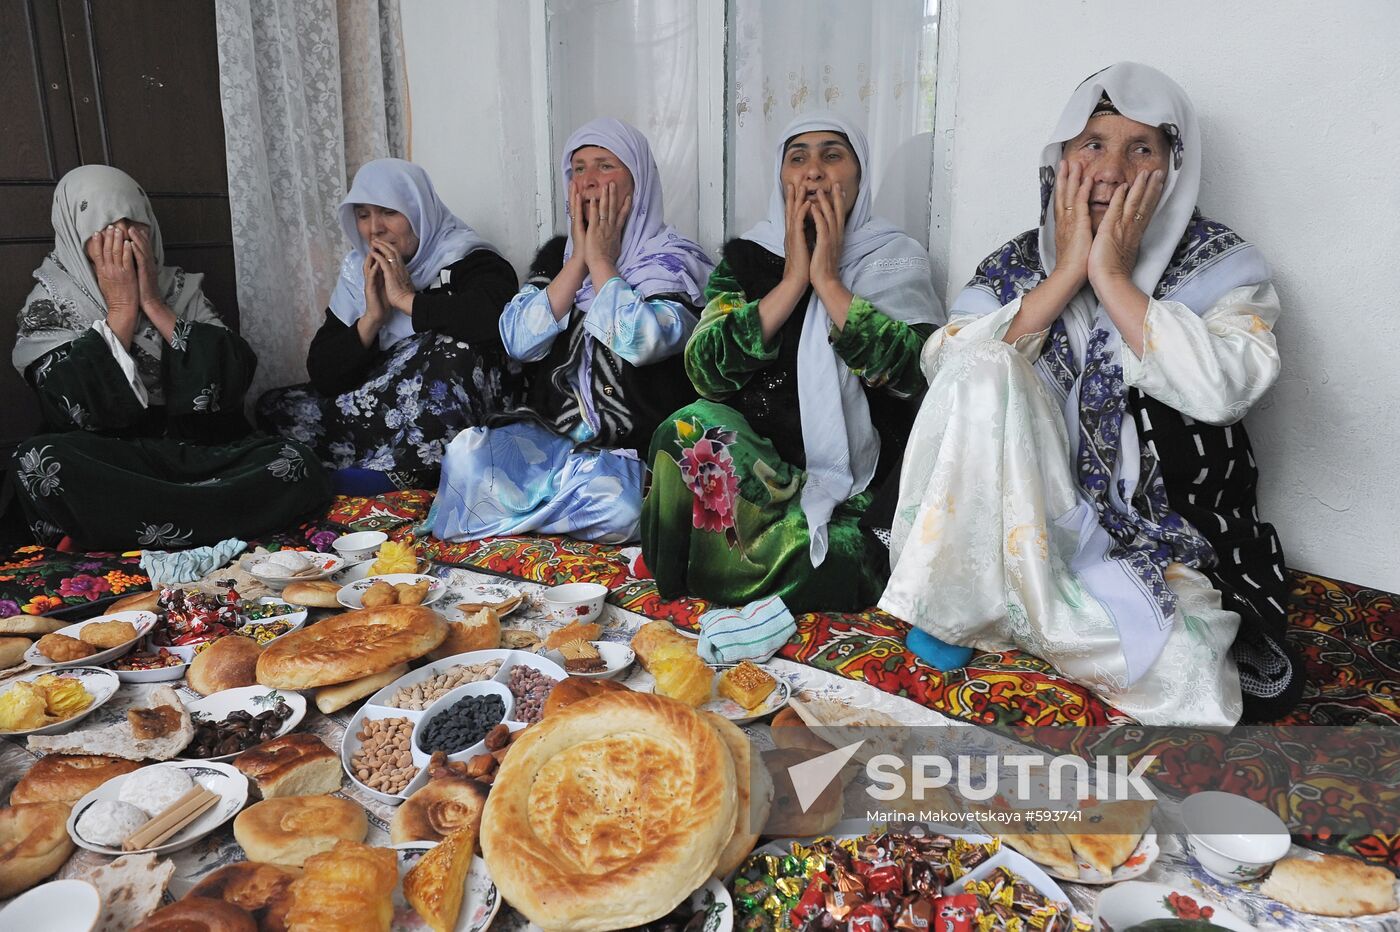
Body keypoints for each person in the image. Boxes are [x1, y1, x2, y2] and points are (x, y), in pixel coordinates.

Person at [881, 62, 1301, 725]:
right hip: (1024, 527)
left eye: (1142, 149)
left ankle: (1015, 616)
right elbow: (947, 370)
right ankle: (968, 600)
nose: (1112, 169)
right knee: (987, 361)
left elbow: (1226, 389)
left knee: (1191, 682)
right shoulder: (1016, 264)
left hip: (1152, 544)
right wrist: (1067, 273)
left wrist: (1111, 277)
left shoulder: (1221, 267)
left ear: (1174, 166)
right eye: (1094, 144)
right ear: (1062, 159)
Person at [640, 114, 942, 613]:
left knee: (835, 562)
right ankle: (732, 558)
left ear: (860, 176)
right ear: (781, 179)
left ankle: (710, 562)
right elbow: (703, 369)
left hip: (859, 489)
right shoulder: (747, 257)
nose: (814, 172)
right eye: (797, 157)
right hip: (758, 471)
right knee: (687, 428)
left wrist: (829, 282)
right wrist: (792, 280)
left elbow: (918, 374)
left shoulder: (894, 256)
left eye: (832, 155)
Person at [10, 165, 329, 549]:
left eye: (133, 229)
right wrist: (122, 309)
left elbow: (230, 379)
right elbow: (71, 408)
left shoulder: (180, 288)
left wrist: (154, 304)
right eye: (106, 233)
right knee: (38, 461)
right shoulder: (51, 302)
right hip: (115, 462)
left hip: (195, 452)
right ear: (76, 238)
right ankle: (212, 523)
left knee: (295, 461)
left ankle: (138, 530)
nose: (122, 245)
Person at [431, 118, 713, 544]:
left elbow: (642, 341)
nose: (589, 182)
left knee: (622, 508)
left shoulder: (673, 264)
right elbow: (518, 341)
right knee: (467, 457)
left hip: (631, 452)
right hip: (553, 445)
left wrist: (603, 263)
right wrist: (578, 259)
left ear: (637, 182)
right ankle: (552, 512)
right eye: (578, 169)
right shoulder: (558, 259)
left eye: (605, 166)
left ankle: (522, 515)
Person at [257, 158, 521, 493]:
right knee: (276, 405)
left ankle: (412, 469)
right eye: (363, 214)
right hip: (381, 402)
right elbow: (323, 374)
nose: (374, 228)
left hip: (449, 411)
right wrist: (372, 319)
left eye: (388, 212)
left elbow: (495, 320)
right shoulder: (359, 271)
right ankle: (378, 462)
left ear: (419, 213)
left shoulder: (467, 258)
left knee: (454, 348)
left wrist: (407, 300)